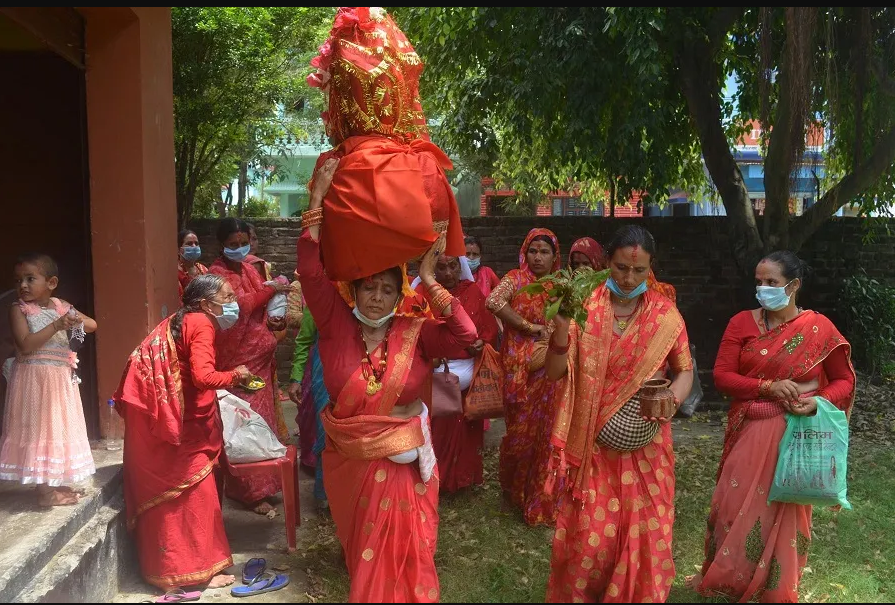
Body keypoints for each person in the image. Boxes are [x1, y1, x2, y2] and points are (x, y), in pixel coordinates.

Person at [297, 158, 477, 602]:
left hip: (405, 466)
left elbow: (468, 336)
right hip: (352, 466)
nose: (376, 298)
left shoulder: (414, 333)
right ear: (353, 292)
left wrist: (431, 279)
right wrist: (317, 201)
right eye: (368, 288)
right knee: (366, 556)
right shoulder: (335, 326)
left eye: (387, 290)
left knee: (405, 556)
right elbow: (310, 271)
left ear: (400, 295)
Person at [689, 251, 855, 603]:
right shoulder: (741, 323)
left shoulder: (819, 329)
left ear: (793, 286)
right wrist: (767, 387)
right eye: (759, 282)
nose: (762, 289)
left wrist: (819, 400)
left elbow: (844, 380)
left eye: (772, 283)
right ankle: (730, 579)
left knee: (789, 512)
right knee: (734, 504)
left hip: (799, 436)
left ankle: (777, 588)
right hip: (751, 428)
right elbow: (722, 376)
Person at [543, 225, 694, 603]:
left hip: (648, 443)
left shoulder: (665, 315)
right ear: (606, 263)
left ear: (650, 268)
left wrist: (671, 400)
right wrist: (561, 332)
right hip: (592, 445)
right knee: (593, 537)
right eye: (621, 269)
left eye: (639, 271)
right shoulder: (584, 308)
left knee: (646, 530)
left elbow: (685, 370)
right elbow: (555, 372)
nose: (629, 279)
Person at [115, 275, 250, 591]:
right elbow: (203, 377)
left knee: (175, 497)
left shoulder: (181, 319)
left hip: (166, 419)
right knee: (194, 495)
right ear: (206, 303)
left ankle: (168, 572)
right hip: (181, 427)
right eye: (228, 297)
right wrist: (237, 376)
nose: (234, 304)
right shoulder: (202, 323)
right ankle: (194, 573)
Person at [208, 217, 292, 515]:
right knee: (243, 424)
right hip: (239, 366)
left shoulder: (247, 269)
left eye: (244, 243)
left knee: (262, 422)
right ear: (221, 245)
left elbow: (260, 310)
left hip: (260, 360)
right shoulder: (216, 277)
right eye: (233, 244)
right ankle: (248, 491)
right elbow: (240, 307)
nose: (240, 249)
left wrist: (275, 320)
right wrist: (272, 290)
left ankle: (266, 485)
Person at [0, 253, 97, 506]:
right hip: (34, 380)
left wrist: (74, 319)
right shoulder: (18, 310)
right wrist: (57, 325)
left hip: (59, 380)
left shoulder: (60, 305)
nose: (22, 285)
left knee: (57, 429)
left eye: (30, 279)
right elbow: (25, 345)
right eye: (18, 280)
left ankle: (53, 481)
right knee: (38, 431)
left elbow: (92, 325)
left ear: (51, 283)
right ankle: (44, 492)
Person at [486, 228, 564, 526]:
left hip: (551, 369)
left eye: (545, 251)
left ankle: (540, 497)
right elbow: (493, 302)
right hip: (520, 371)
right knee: (519, 435)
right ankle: (512, 491)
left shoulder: (560, 285)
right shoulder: (515, 279)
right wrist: (529, 327)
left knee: (547, 436)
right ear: (524, 253)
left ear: (555, 256)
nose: (538, 257)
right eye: (533, 251)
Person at [427, 254, 499, 493]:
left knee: (469, 428)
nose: (447, 273)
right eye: (441, 267)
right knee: (441, 428)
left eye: (452, 266)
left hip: (470, 372)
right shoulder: (425, 294)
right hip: (439, 374)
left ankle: (465, 478)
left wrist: (481, 342)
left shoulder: (473, 292)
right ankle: (441, 480)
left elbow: (488, 328)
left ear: (461, 267)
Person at [287, 308, 331, 510]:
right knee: (325, 431)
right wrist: (296, 378)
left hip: (363, 368)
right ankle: (325, 496)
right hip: (325, 371)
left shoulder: (362, 293)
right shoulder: (317, 301)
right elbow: (304, 341)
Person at [178, 229, 208, 298]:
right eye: (189, 243)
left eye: (196, 243)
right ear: (179, 250)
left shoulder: (203, 269)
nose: (194, 246)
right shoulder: (176, 273)